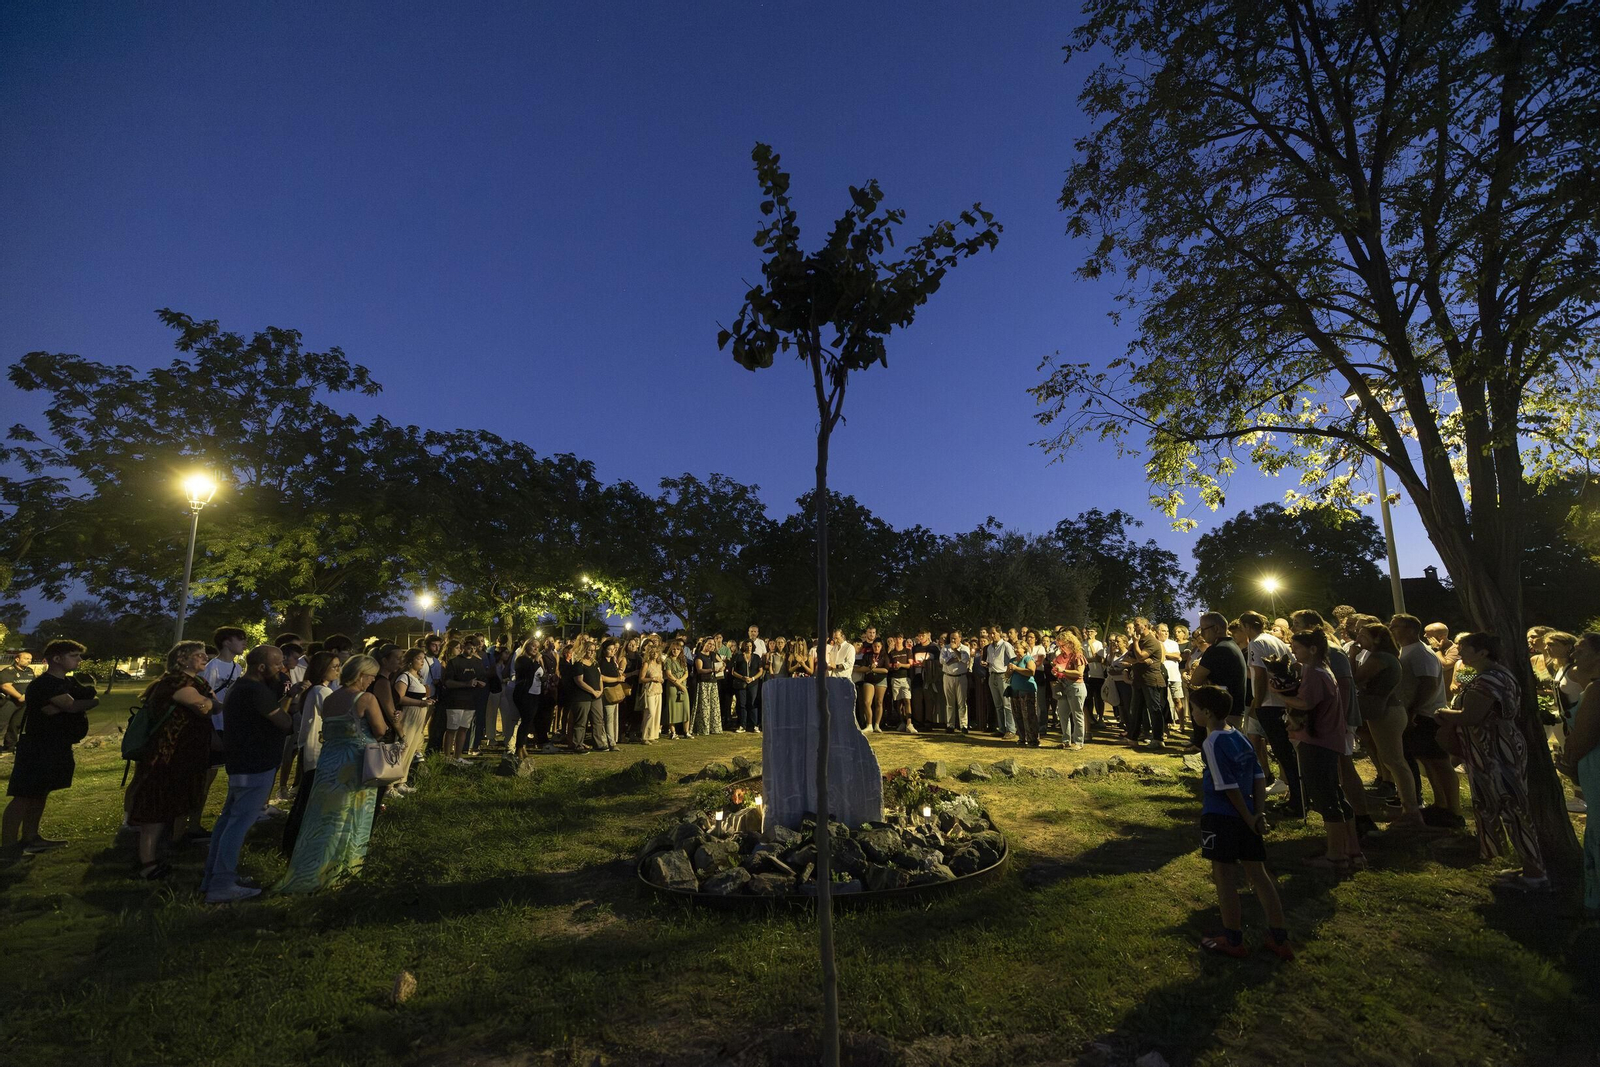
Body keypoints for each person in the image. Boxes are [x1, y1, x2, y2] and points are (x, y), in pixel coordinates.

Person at [1436, 633, 1547, 892]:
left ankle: (1535, 873)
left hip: (1496, 751)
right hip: (1493, 749)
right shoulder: (1498, 675)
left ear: (1483, 652)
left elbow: (1471, 716)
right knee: (1506, 805)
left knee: (1512, 807)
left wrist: (1442, 713)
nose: (1460, 652)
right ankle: (1527, 865)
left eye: (1465, 648)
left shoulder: (1488, 679)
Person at [1191, 684, 1293, 960]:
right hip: (1248, 814)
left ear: (1207, 712)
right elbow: (1258, 776)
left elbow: (1227, 785)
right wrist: (1258, 813)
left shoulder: (1211, 743)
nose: (1193, 714)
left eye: (1195, 709)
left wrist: (1248, 816)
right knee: (1258, 874)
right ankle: (1279, 936)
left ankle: (1233, 938)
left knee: (1224, 876)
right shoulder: (1238, 736)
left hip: (1222, 817)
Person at [274, 654, 387, 893]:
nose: (372, 681)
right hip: (355, 764)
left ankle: (312, 865)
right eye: (371, 676)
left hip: (329, 762)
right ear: (361, 675)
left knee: (323, 816)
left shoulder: (331, 697)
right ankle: (342, 869)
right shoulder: (366, 698)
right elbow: (379, 730)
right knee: (350, 817)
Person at [200, 645, 303, 903]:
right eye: (278, 664)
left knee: (228, 821)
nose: (282, 668)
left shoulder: (246, 688)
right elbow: (284, 722)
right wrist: (289, 704)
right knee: (238, 824)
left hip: (244, 762)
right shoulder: (255, 690)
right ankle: (221, 884)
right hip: (254, 764)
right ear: (261, 667)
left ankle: (213, 878)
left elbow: (272, 714)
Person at [1273, 629, 1364, 871]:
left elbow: (1306, 703)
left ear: (1312, 649)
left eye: (1297, 647)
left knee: (1326, 797)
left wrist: (1279, 695)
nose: (1292, 650)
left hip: (1318, 741)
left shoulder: (1314, 672)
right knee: (1335, 793)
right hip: (1329, 738)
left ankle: (1336, 856)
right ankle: (1351, 849)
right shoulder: (1324, 670)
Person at [123, 641, 215, 879]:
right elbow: (202, 706)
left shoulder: (198, 682)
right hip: (165, 755)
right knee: (156, 807)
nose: (205, 658)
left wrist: (210, 702)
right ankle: (148, 863)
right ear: (182, 660)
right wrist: (209, 702)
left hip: (185, 756)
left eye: (205, 654)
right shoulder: (175, 682)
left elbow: (212, 705)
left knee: (175, 803)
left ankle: (168, 847)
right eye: (198, 655)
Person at [2, 640, 96, 854]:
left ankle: (31, 838)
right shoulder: (44, 684)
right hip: (38, 745)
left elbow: (87, 697)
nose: (79, 660)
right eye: (74, 655)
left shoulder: (67, 682)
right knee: (24, 795)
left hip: (58, 744)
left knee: (41, 793)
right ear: (57, 658)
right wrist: (72, 705)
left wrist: (78, 704)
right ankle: (7, 847)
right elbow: (71, 705)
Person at [1391, 613, 1463, 827]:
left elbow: (1429, 684)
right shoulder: (1408, 650)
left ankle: (1454, 811)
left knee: (1440, 763)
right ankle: (1441, 804)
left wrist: (1414, 710)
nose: (1392, 630)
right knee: (1429, 762)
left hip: (1427, 715)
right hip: (1418, 714)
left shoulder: (1421, 653)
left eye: (1396, 627)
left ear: (1411, 630)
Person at [1352, 623, 1423, 828]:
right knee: (1392, 760)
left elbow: (1355, 679)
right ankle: (1408, 807)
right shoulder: (1386, 657)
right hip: (1388, 711)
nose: (1358, 639)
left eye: (1363, 635)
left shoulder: (1379, 658)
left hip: (1387, 713)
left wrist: (1351, 655)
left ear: (1376, 639)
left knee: (1395, 761)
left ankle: (1411, 809)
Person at [1556, 632, 1600, 917]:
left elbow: (1584, 736)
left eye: (1581, 650)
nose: (1574, 654)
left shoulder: (1597, 689)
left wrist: (1569, 763)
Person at [280, 650, 340, 859]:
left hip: (311, 746)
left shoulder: (316, 690)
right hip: (317, 748)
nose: (337, 670)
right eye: (334, 666)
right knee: (310, 797)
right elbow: (333, 717)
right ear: (322, 669)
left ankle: (293, 840)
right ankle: (299, 841)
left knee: (305, 796)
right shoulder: (321, 692)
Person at [1241, 611, 1299, 813]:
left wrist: (1257, 703)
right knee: (1286, 751)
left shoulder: (1256, 643)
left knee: (1283, 751)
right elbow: (1292, 664)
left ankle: (1298, 799)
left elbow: (1260, 674)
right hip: (1283, 698)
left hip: (1269, 702)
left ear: (1247, 626)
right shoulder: (1276, 641)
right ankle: (1296, 794)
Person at [1189, 613, 1246, 733]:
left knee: (1221, 747)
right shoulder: (1232, 645)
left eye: (1203, 629)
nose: (1201, 634)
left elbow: (1195, 680)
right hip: (1235, 708)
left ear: (1216, 628)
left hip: (1222, 714)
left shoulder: (1216, 649)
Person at [392, 648, 433, 791]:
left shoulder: (417, 677)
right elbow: (400, 698)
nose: (422, 661)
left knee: (412, 748)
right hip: (409, 716)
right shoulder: (404, 677)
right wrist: (420, 703)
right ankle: (392, 783)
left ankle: (402, 781)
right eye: (419, 658)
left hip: (418, 716)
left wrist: (426, 701)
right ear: (410, 661)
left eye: (423, 658)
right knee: (403, 747)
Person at [440, 637, 485, 764]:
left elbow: (483, 678)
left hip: (471, 700)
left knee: (464, 728)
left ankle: (458, 756)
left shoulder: (478, 662)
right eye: (469, 647)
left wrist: (482, 683)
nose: (472, 650)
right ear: (463, 647)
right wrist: (466, 684)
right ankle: (447, 757)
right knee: (451, 729)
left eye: (474, 648)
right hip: (455, 700)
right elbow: (448, 682)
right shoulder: (454, 662)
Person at [1129, 617, 1171, 750]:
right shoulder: (1138, 641)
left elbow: (1141, 655)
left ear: (1145, 626)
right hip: (1139, 680)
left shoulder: (1152, 641)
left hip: (1151, 680)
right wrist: (1138, 659)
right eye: (1135, 625)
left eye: (1137, 625)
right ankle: (1133, 738)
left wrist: (1136, 645)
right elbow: (1126, 658)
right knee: (1136, 710)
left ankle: (1158, 739)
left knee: (1154, 709)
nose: (1135, 627)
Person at [568, 635, 606, 751]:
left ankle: (598, 743)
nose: (591, 653)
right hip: (582, 696)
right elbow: (579, 680)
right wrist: (592, 691)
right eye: (589, 650)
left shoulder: (595, 664)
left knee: (598, 720)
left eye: (593, 651)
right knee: (581, 721)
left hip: (596, 696)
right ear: (584, 650)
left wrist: (600, 690)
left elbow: (600, 678)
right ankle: (578, 744)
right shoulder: (579, 664)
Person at [1051, 630, 1087, 749]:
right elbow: (1060, 670)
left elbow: (1079, 672)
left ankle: (1078, 742)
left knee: (1077, 715)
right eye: (1059, 645)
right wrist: (1056, 672)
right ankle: (1066, 741)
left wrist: (1063, 671)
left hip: (1076, 686)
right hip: (1064, 685)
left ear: (1071, 643)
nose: (1061, 648)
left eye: (1063, 645)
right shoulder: (1063, 656)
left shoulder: (1078, 655)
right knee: (1063, 714)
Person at [510, 636, 544, 755]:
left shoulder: (533, 660)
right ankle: (519, 748)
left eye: (538, 647)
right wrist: (536, 660)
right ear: (527, 645)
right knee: (526, 720)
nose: (536, 649)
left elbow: (541, 673)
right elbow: (529, 671)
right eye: (533, 646)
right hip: (524, 694)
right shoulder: (522, 660)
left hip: (535, 693)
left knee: (529, 721)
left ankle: (522, 745)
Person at [1006, 641, 1040, 747]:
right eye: (1015, 648)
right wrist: (1010, 671)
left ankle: (1033, 739)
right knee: (1017, 715)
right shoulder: (1012, 660)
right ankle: (1022, 738)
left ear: (1024, 649)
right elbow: (1007, 675)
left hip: (1027, 690)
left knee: (1029, 715)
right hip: (1015, 691)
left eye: (1018, 648)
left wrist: (1016, 668)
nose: (1016, 650)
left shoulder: (1028, 659)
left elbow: (1031, 672)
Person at [1, 648, 35, 753]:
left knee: (15, 725)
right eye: (26, 658)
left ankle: (10, 746)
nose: (29, 661)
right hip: (9, 702)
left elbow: (33, 684)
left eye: (30, 659)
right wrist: (20, 696)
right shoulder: (9, 671)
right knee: (1, 724)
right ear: (17, 659)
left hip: (23, 704)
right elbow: (5, 686)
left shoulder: (29, 671)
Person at [984, 630, 1017, 738]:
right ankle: (1002, 728)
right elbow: (990, 661)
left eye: (994, 633)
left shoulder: (1006, 645)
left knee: (1007, 704)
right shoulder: (989, 647)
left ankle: (1011, 729)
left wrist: (1009, 674)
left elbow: (1013, 659)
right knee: (998, 705)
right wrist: (986, 664)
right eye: (991, 634)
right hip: (992, 674)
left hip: (1003, 675)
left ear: (999, 633)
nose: (992, 635)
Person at [941, 631, 971, 734]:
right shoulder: (945, 648)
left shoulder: (965, 648)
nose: (953, 640)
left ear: (960, 638)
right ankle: (950, 725)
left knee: (962, 702)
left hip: (961, 677)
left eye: (955, 638)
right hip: (948, 676)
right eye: (951, 638)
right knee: (950, 703)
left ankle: (964, 725)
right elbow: (943, 661)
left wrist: (955, 651)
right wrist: (955, 659)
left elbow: (964, 659)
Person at [731, 639, 763, 734]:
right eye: (747, 646)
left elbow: (760, 671)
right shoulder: (738, 657)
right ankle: (742, 725)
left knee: (753, 703)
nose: (749, 648)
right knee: (742, 704)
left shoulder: (756, 657)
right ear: (744, 647)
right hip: (741, 683)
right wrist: (743, 677)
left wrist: (752, 678)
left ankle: (755, 725)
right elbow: (733, 671)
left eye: (750, 646)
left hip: (753, 683)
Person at [662, 637, 691, 738]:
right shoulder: (668, 660)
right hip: (673, 687)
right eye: (674, 649)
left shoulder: (682, 660)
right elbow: (669, 675)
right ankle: (673, 732)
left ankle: (686, 731)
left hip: (682, 684)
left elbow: (686, 673)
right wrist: (678, 684)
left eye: (678, 649)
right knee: (672, 708)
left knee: (685, 708)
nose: (676, 651)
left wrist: (681, 681)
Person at [637, 640, 664, 743]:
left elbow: (661, 676)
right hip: (649, 690)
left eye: (656, 652)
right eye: (652, 652)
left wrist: (660, 680)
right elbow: (641, 679)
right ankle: (645, 736)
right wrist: (652, 679)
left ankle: (652, 735)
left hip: (658, 690)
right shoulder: (646, 664)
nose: (654, 654)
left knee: (657, 714)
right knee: (650, 713)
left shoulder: (659, 664)